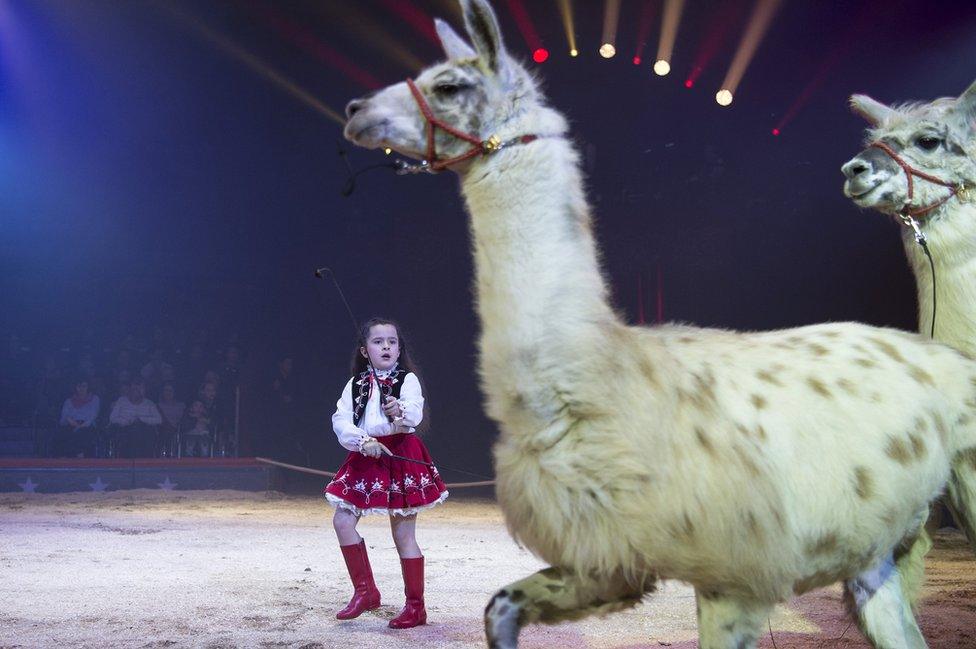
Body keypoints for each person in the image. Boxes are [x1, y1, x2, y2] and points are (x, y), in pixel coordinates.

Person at [324, 318, 447, 629]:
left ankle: (415, 607)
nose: (387, 347)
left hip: (400, 453)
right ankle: (366, 592)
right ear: (365, 351)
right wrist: (363, 441)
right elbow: (341, 420)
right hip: (367, 453)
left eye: (392, 341)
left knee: (403, 534)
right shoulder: (355, 384)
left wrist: (399, 412)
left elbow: (414, 413)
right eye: (378, 342)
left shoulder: (408, 380)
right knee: (342, 520)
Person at [107, 377, 162, 457]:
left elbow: (159, 420)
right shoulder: (121, 401)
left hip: (144, 432)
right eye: (135, 388)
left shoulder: (149, 403)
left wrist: (141, 419)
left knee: (144, 431)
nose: (137, 391)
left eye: (140, 388)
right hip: (125, 430)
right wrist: (127, 421)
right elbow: (112, 418)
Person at [54, 378, 100, 457]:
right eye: (79, 386)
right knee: (62, 434)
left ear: (88, 387)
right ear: (75, 387)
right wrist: (72, 422)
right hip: (71, 424)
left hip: (87, 426)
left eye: (84, 386)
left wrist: (80, 426)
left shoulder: (94, 399)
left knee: (83, 434)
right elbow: (64, 417)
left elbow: (93, 415)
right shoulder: (68, 401)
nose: (81, 388)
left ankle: (80, 458)